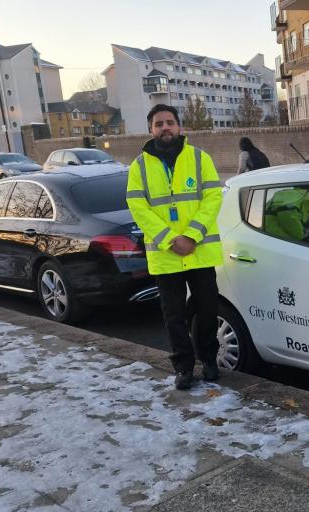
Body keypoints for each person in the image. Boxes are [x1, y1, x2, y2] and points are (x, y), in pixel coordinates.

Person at [126, 104, 224, 390]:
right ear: (151, 130)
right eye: (159, 124)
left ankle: (209, 360)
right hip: (166, 256)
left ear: (180, 127)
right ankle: (183, 368)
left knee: (207, 311)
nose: (165, 127)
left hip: (200, 251)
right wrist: (170, 239)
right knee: (174, 317)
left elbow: (213, 198)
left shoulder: (199, 158)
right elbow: (138, 206)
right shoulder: (139, 166)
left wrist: (192, 235)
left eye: (170, 122)